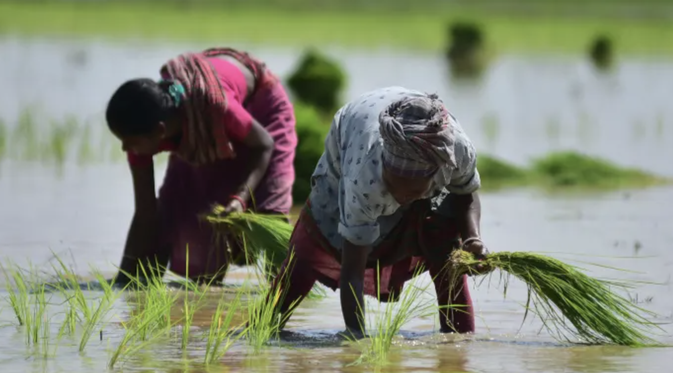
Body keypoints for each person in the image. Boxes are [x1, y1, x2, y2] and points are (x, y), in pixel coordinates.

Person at [266, 86, 489, 337]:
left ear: (434, 174)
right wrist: (356, 335)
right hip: (351, 137)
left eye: (412, 191)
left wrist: (473, 239)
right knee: (313, 244)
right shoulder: (364, 176)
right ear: (385, 168)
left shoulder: (457, 152)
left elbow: (466, 194)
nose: (401, 196)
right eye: (394, 184)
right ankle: (264, 326)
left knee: (446, 248)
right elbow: (352, 271)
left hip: (418, 135)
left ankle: (459, 339)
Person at [105, 48, 297, 287]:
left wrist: (240, 197)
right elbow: (145, 212)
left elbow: (264, 145)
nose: (125, 148)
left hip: (261, 109)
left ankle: (287, 295)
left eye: (130, 142)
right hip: (204, 121)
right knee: (180, 211)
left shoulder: (217, 107)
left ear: (161, 132)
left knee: (270, 213)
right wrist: (123, 278)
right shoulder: (148, 130)